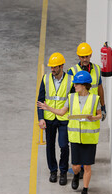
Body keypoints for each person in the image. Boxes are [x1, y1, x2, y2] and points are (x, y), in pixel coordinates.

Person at [37, 71, 102, 194]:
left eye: (76, 84)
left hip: (89, 138)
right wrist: (47, 108)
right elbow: (61, 112)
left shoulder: (95, 99)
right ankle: (76, 174)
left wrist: (93, 118)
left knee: (88, 167)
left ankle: (84, 191)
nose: (74, 86)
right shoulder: (71, 98)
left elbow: (100, 115)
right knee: (76, 166)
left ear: (84, 85)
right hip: (75, 138)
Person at [37, 52, 75, 185]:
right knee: (50, 146)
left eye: (55, 67)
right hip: (49, 118)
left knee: (64, 145)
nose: (52, 69)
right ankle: (53, 170)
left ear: (62, 66)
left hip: (64, 118)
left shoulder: (70, 80)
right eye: (51, 67)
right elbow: (40, 100)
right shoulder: (46, 78)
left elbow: (72, 99)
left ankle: (63, 171)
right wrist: (41, 118)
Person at [68, 42, 106, 121]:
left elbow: (100, 88)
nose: (85, 59)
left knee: (93, 130)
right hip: (79, 108)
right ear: (78, 56)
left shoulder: (97, 69)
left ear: (90, 55)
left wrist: (102, 106)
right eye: (82, 57)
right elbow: (68, 92)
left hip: (93, 107)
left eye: (87, 56)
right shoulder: (72, 71)